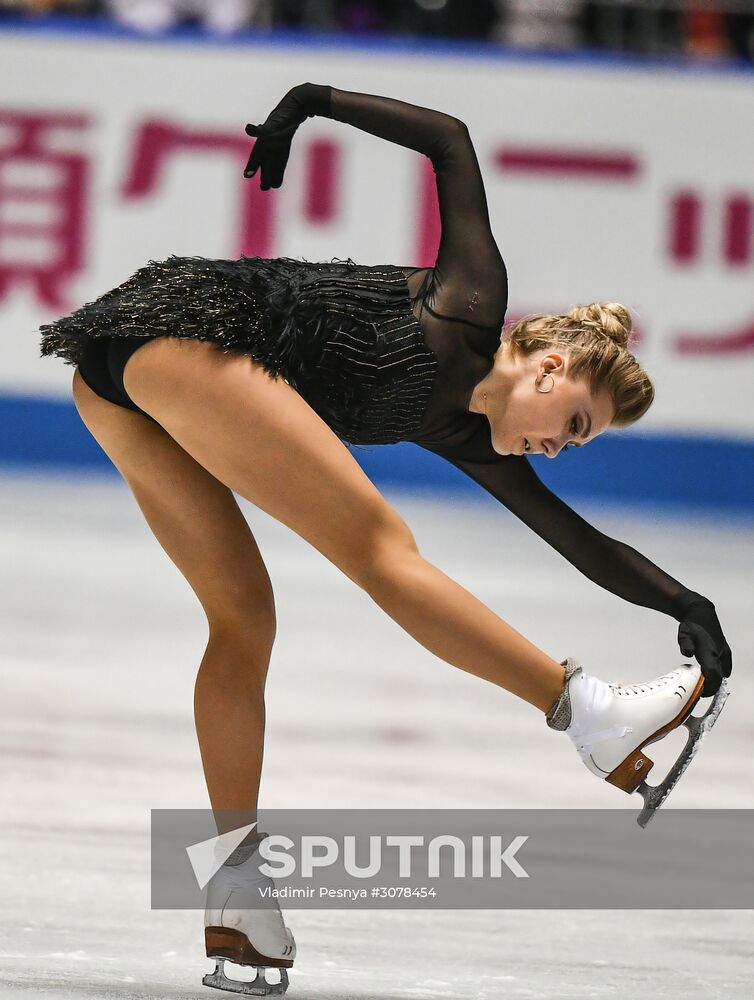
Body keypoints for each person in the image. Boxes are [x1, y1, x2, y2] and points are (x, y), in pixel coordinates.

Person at [39, 83, 732, 996]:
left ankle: (236, 893)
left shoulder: (470, 435)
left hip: (119, 379)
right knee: (382, 547)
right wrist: (307, 103)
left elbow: (579, 540)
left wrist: (686, 603)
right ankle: (589, 714)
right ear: (549, 365)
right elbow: (451, 138)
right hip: (180, 331)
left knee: (244, 618)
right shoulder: (470, 305)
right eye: (572, 421)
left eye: (578, 443)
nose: (561, 447)